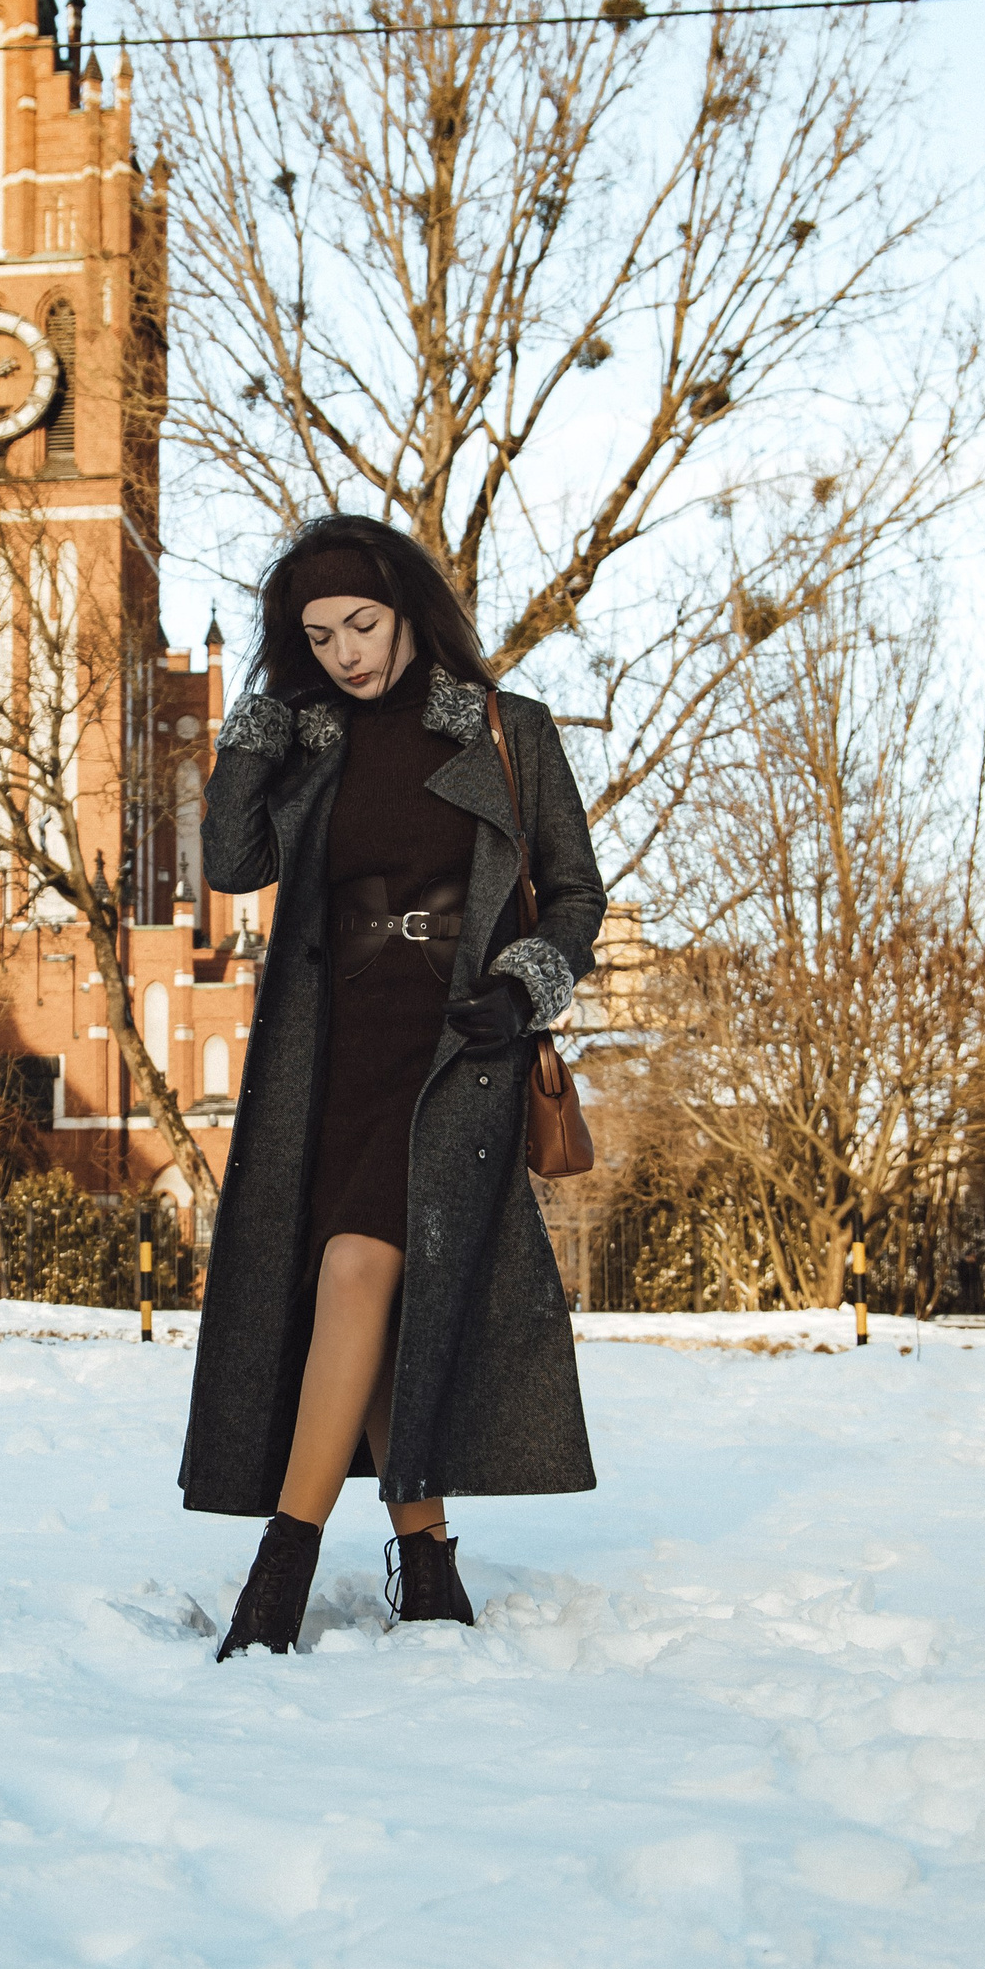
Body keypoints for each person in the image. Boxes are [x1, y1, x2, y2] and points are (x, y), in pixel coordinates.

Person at [181, 514, 608, 1658]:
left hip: (458, 1047)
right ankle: (427, 1566)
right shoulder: (311, 739)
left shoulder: (510, 732)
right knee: (363, 1298)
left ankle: (281, 1567)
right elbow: (231, 861)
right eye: (319, 637)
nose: (346, 654)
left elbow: (577, 895)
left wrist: (522, 987)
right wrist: (259, 723)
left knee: (358, 1267)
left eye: (362, 625)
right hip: (330, 1054)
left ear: (410, 610)